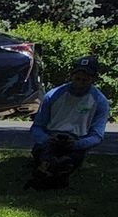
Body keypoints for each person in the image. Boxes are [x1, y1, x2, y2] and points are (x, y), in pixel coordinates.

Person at [27, 55, 108, 190]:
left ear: (92, 79)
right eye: (77, 78)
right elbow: (37, 127)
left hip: (76, 141)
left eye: (85, 80)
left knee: (69, 159)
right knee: (46, 153)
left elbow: (97, 135)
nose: (80, 83)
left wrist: (78, 144)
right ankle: (48, 169)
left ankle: (55, 172)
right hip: (51, 138)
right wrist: (46, 139)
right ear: (71, 76)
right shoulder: (53, 95)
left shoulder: (100, 101)